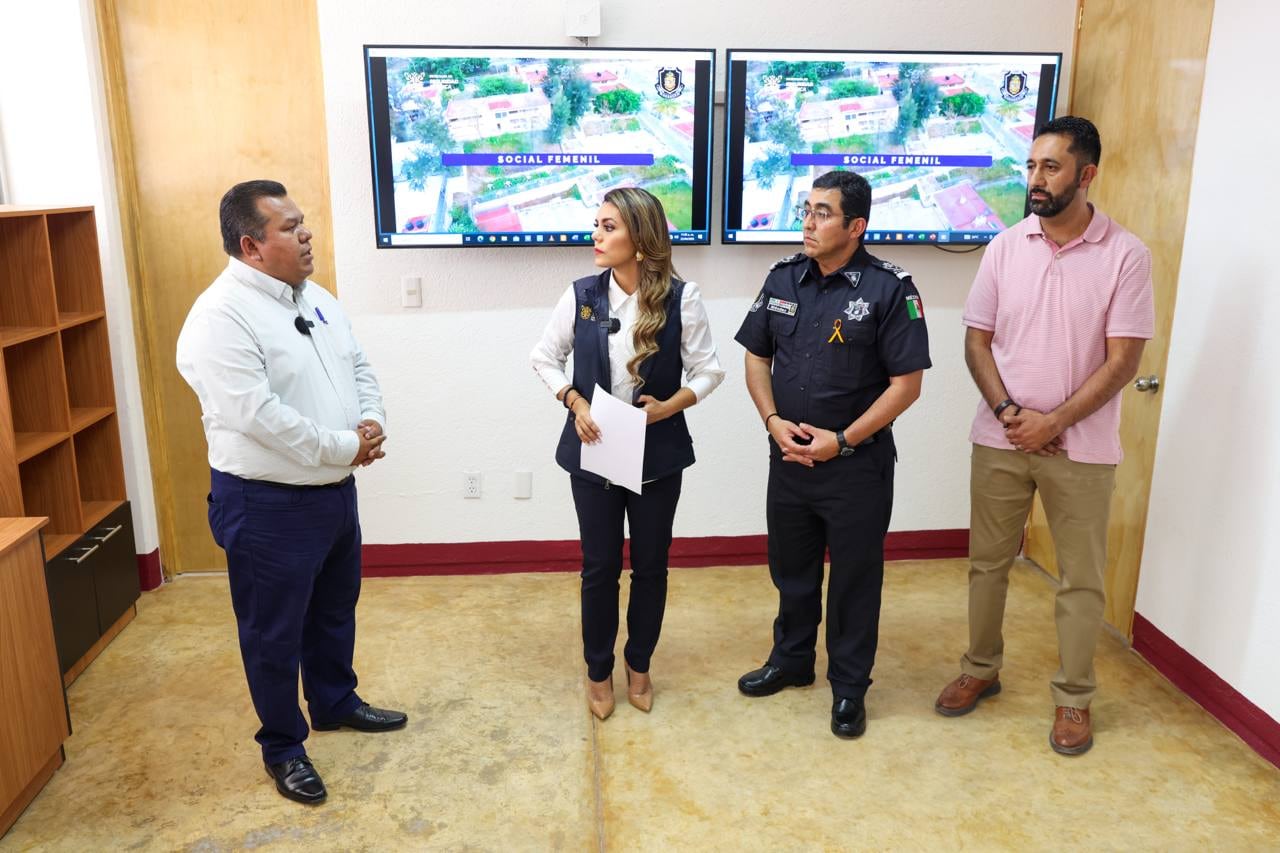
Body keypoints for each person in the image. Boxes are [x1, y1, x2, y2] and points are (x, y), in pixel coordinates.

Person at [176, 180, 406, 805]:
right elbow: (258, 416)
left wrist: (372, 422)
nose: (307, 234)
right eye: (290, 227)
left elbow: (358, 365)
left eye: (303, 222)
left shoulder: (316, 297)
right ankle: (284, 747)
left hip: (332, 494)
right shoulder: (219, 317)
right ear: (251, 245)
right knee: (273, 633)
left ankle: (333, 701)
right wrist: (344, 447)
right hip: (266, 503)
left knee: (334, 609)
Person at [933, 116, 1153, 756]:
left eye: (1050, 167)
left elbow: (1123, 362)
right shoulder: (1005, 245)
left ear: (1086, 175)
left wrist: (1053, 422)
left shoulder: (1126, 254)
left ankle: (1074, 699)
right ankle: (980, 668)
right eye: (1030, 166)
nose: (1035, 179)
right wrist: (1009, 414)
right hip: (1000, 438)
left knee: (1081, 580)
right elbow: (977, 339)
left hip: (1079, 449)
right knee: (986, 565)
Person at [734, 170, 931, 739]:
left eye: (822, 212)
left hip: (855, 468)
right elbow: (755, 357)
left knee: (853, 580)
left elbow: (906, 385)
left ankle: (849, 688)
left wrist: (842, 440)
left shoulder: (891, 288)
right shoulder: (782, 279)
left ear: (856, 226)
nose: (808, 222)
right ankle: (792, 661)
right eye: (806, 210)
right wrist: (772, 422)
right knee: (790, 570)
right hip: (790, 460)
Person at [530, 187, 725, 720]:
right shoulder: (581, 294)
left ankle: (639, 666)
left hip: (656, 453)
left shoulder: (682, 298)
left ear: (640, 238)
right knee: (598, 569)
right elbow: (543, 357)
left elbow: (710, 371)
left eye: (609, 226)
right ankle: (598, 672)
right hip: (592, 450)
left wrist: (670, 407)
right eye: (597, 224)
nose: (596, 235)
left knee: (651, 568)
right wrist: (573, 400)